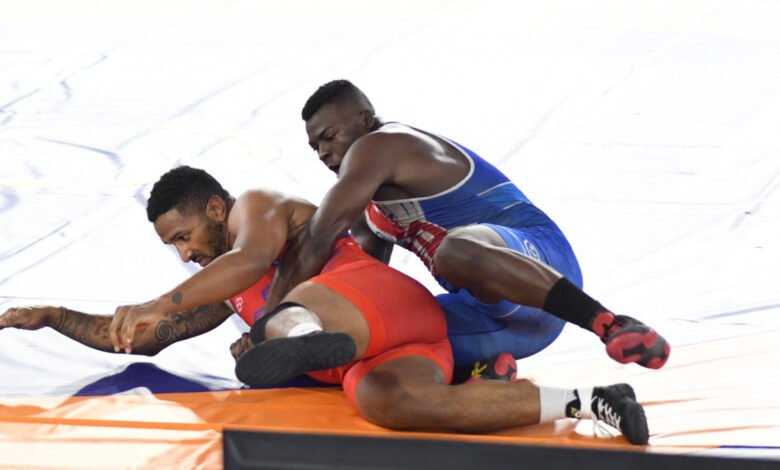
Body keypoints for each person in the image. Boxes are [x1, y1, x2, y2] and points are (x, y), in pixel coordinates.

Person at [0, 166, 650, 444]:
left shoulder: (258, 209)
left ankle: (291, 333)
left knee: (285, 307)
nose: (183, 257)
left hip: (384, 305)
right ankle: (591, 400)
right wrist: (54, 318)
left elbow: (251, 263)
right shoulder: (221, 288)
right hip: (390, 353)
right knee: (387, 403)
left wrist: (157, 299)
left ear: (216, 211)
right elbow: (146, 339)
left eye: (183, 238)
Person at [266, 80, 670, 377]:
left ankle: (610, 323)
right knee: (367, 344)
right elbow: (363, 284)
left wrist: (267, 321)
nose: (323, 152)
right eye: (315, 147)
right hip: (501, 324)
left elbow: (319, 236)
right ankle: (483, 376)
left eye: (330, 137)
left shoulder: (384, 143)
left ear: (365, 120)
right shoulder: (364, 211)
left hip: (542, 264)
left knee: (455, 251)